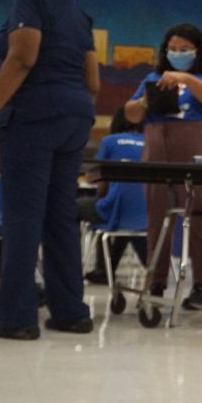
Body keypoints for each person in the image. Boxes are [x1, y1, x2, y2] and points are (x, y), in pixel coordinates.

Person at [0, 0, 99, 340]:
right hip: (76, 116)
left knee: (23, 215)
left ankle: (17, 317)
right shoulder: (79, 14)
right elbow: (93, 81)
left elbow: (23, 56)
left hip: (34, 116)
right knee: (60, 214)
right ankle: (71, 312)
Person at [124, 23, 202, 310]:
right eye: (172, 49)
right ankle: (156, 280)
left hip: (196, 147)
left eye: (184, 50)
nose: (177, 54)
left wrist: (185, 78)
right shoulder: (154, 77)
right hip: (158, 147)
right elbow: (130, 113)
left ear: (198, 51)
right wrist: (147, 99)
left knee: (198, 215)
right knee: (157, 216)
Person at [79, 107, 147, 284]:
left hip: (117, 210)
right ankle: (106, 269)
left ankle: (70, 267)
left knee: (72, 207)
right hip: (148, 214)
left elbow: (101, 182)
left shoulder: (110, 141)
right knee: (123, 214)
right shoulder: (153, 142)